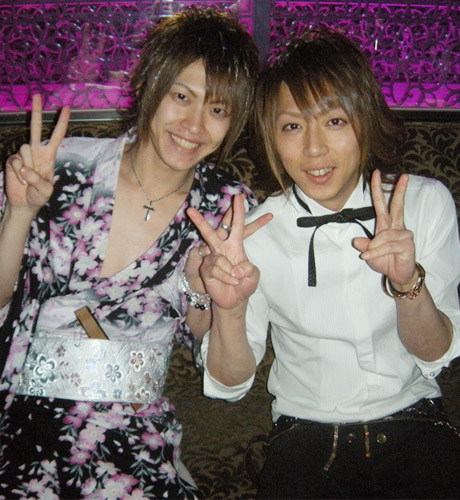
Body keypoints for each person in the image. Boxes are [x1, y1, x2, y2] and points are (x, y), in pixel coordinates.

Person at [0, 7, 269, 499]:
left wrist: (210, 294)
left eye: (217, 110)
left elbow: (225, 369)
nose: (194, 125)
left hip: (131, 446)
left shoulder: (226, 207)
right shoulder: (60, 165)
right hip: (19, 426)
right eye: (181, 96)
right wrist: (19, 212)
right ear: (148, 85)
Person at [187, 28, 460, 499]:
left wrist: (407, 283)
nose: (314, 150)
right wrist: (228, 310)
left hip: (416, 427)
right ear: (272, 138)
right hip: (307, 439)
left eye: (334, 121)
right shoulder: (250, 234)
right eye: (292, 126)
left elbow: (436, 354)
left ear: (364, 120)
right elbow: (230, 385)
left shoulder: (423, 203)